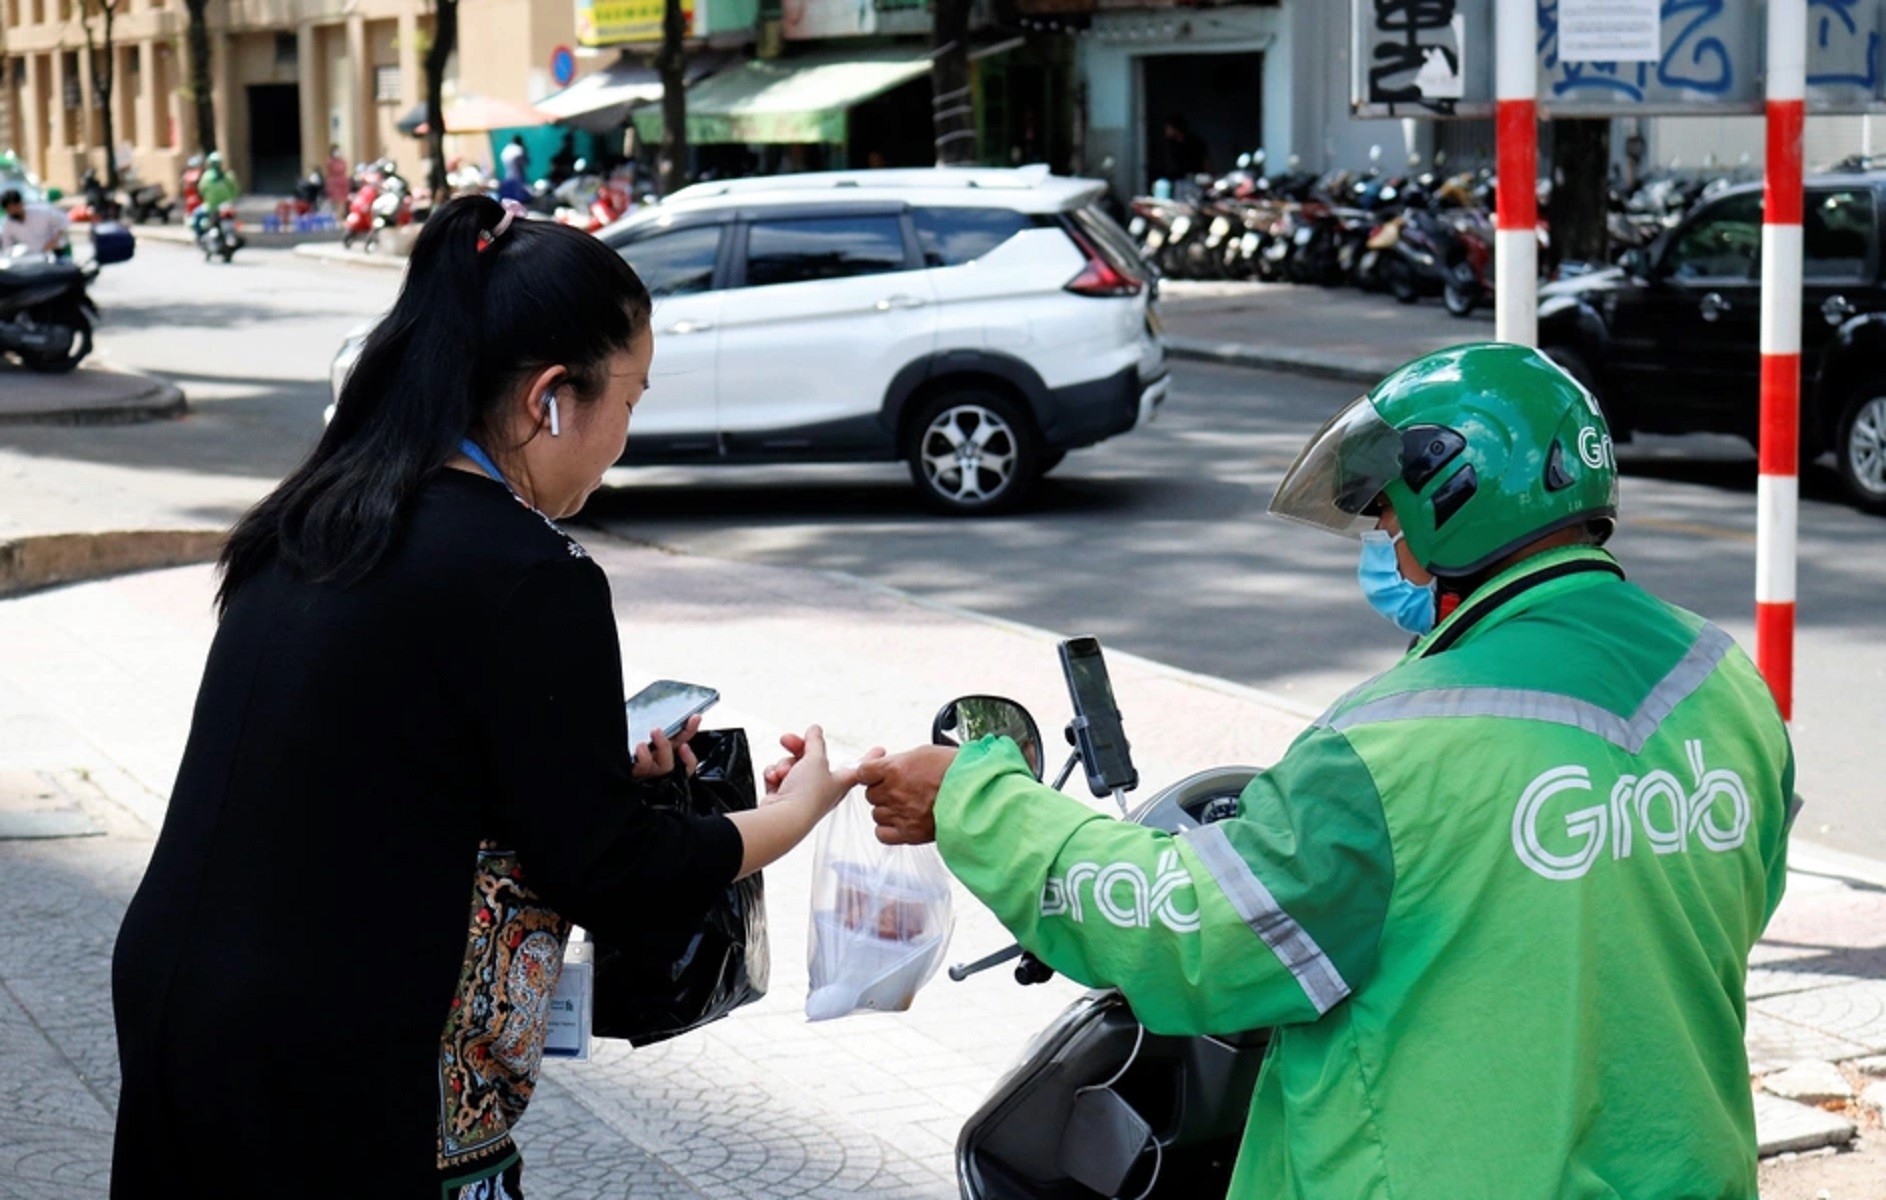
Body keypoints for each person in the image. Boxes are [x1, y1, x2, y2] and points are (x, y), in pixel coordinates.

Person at [861, 342, 1795, 1198]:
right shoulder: (1725, 683)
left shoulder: (1389, 746)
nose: (1383, 547)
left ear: (1452, 498)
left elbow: (1187, 935)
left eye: (1385, 516)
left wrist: (974, 796)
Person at [110, 196, 862, 1197]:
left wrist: (586, 759)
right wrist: (794, 812)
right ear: (551, 396)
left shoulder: (322, 512)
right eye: (628, 402)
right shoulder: (528, 568)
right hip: (341, 1044)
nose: (622, 440)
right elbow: (606, 868)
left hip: (181, 994)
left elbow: (387, 755)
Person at [1, 188, 70, 257]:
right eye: (9, 209)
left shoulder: (41, 212)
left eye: (14, 207)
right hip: (32, 257)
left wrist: (55, 241)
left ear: (21, 203)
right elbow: (7, 247)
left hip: (55, 252)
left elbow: (63, 221)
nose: (13, 211)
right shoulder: (8, 224)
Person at [192, 151, 239, 234]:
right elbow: (235, 190)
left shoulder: (206, 177)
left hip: (212, 207)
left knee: (196, 215)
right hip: (226, 206)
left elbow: (201, 190)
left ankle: (199, 236)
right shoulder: (228, 175)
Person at [324, 143, 351, 213]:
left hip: (342, 183)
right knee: (335, 202)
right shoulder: (330, 162)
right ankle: (335, 217)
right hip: (334, 184)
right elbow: (329, 173)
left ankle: (340, 217)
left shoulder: (343, 161)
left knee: (342, 202)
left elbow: (344, 171)